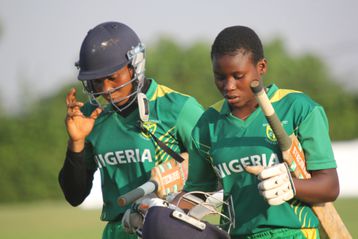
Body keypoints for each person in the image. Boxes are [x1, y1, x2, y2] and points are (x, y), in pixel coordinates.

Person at [180, 26, 339, 239]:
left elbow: (329, 186)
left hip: (294, 234)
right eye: (220, 77)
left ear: (261, 67)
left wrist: (291, 185)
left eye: (238, 76)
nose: (229, 86)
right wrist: (158, 209)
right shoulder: (208, 123)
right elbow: (197, 195)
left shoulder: (298, 108)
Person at [58, 21, 204, 239]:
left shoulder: (176, 108)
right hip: (117, 232)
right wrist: (76, 143)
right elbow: (74, 195)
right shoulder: (91, 116)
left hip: (168, 228)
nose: (106, 90)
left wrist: (185, 174)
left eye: (112, 77)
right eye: (97, 82)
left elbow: (218, 166)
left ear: (134, 65)